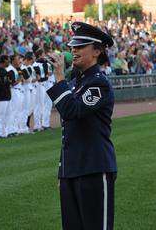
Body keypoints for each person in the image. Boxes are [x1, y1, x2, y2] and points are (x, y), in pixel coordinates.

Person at [46, 22, 117, 230]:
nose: (73, 50)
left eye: (80, 46)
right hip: (72, 170)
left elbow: (71, 112)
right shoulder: (76, 82)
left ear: (96, 51)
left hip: (94, 168)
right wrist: (63, 171)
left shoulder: (98, 83)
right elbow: (68, 133)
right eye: (72, 46)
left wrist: (59, 76)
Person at [0, 55, 12, 139]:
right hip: (0, 96)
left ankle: (3, 132)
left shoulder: (5, 70)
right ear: (4, 61)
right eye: (8, 60)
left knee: (4, 116)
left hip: (6, 96)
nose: (9, 62)